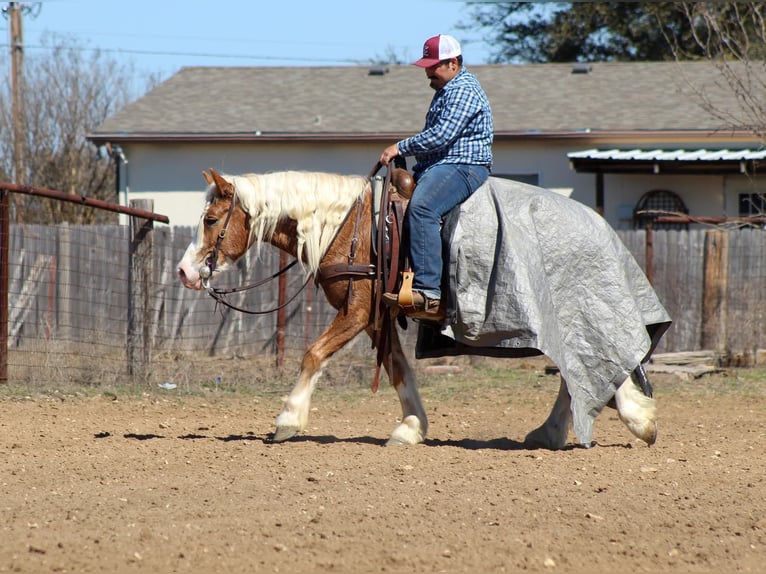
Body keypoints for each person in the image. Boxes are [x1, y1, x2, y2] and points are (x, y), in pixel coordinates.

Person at [380, 34, 493, 319]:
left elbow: (441, 136)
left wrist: (399, 147)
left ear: (453, 63)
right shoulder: (445, 90)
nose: (428, 72)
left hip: (463, 165)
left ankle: (428, 291)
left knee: (422, 208)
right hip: (441, 165)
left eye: (434, 66)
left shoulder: (463, 89)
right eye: (427, 66)